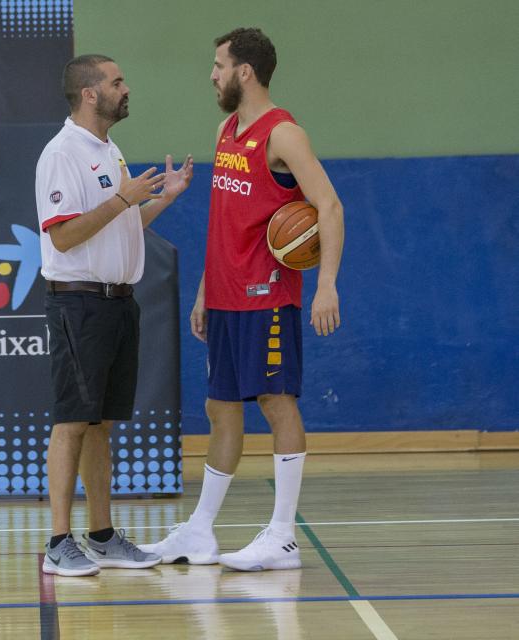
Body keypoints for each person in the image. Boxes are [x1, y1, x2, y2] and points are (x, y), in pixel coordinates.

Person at [139, 28, 344, 571]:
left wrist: (326, 284)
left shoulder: (284, 134)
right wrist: (207, 289)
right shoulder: (227, 128)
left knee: (277, 404)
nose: (212, 75)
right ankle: (200, 532)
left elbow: (328, 205)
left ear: (245, 72)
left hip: (268, 295)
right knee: (220, 408)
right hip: (227, 296)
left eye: (218, 65)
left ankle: (282, 537)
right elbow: (226, 220)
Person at [35, 54, 194, 577]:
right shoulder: (62, 153)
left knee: (100, 424)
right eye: (117, 81)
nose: (127, 88)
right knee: (71, 423)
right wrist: (122, 198)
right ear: (89, 94)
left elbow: (121, 224)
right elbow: (63, 234)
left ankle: (101, 535)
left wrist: (160, 200)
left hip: (118, 301)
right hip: (79, 302)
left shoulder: (109, 149)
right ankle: (59, 542)